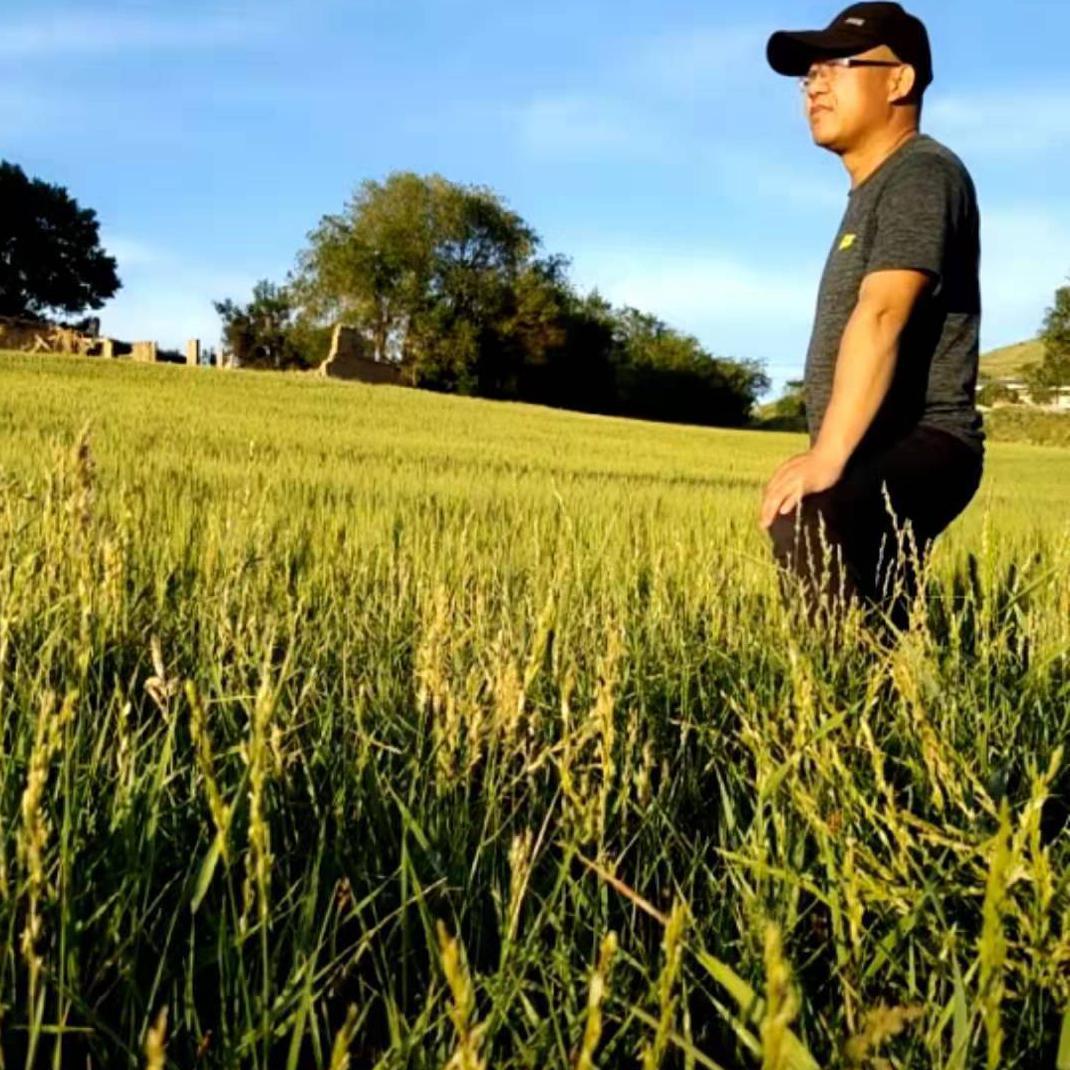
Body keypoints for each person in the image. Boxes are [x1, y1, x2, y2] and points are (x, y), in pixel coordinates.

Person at [757, 1, 985, 639]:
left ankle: (839, 708)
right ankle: (884, 714)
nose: (815, 84)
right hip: (877, 447)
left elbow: (884, 312)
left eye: (837, 64)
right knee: (882, 620)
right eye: (809, 74)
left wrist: (828, 456)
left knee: (809, 515)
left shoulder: (921, 172)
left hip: (927, 438)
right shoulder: (874, 189)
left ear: (900, 79)